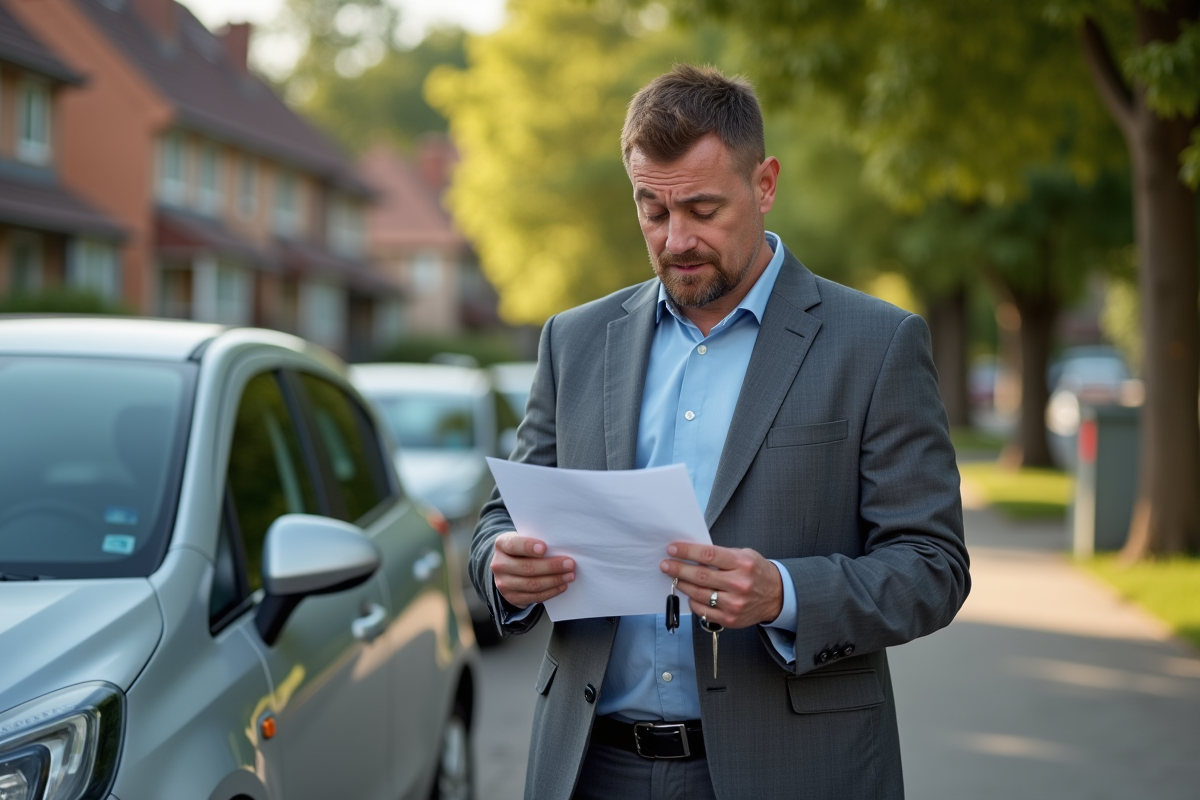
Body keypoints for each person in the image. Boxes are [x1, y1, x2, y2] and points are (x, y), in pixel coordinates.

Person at [470, 64, 969, 800]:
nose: (677, 240)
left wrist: (785, 593)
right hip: (589, 767)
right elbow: (501, 519)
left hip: (795, 768)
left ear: (764, 184)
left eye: (703, 209)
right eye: (652, 210)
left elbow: (933, 565)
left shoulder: (877, 343)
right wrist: (503, 570)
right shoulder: (572, 342)